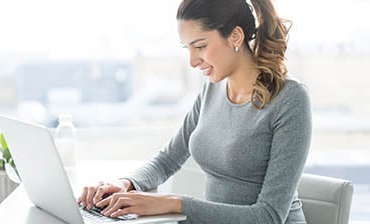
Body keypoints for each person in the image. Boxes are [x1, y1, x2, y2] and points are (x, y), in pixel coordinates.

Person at [77, 0, 312, 223]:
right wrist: (126, 183)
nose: (192, 61)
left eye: (200, 46)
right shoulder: (212, 89)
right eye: (187, 47)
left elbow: (268, 217)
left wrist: (171, 204)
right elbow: (167, 160)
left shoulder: (290, 99)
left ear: (235, 37)